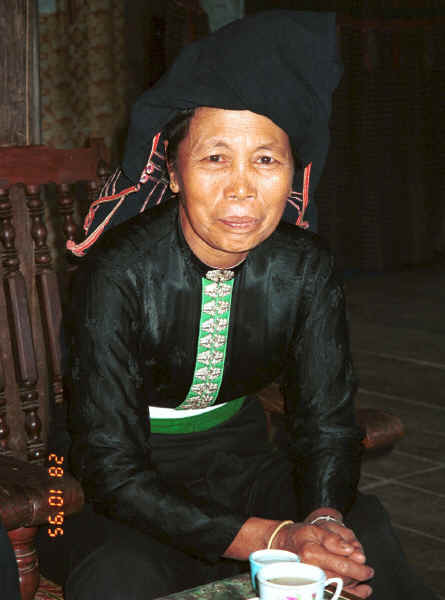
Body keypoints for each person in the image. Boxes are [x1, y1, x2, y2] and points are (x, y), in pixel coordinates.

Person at [36, 11, 437, 600]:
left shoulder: (306, 268)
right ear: (173, 172)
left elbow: (326, 419)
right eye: (216, 158)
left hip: (238, 458)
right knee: (119, 575)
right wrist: (276, 537)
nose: (242, 188)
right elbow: (111, 472)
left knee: (365, 528)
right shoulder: (118, 271)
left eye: (266, 160)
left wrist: (323, 517)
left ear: (292, 173)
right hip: (84, 486)